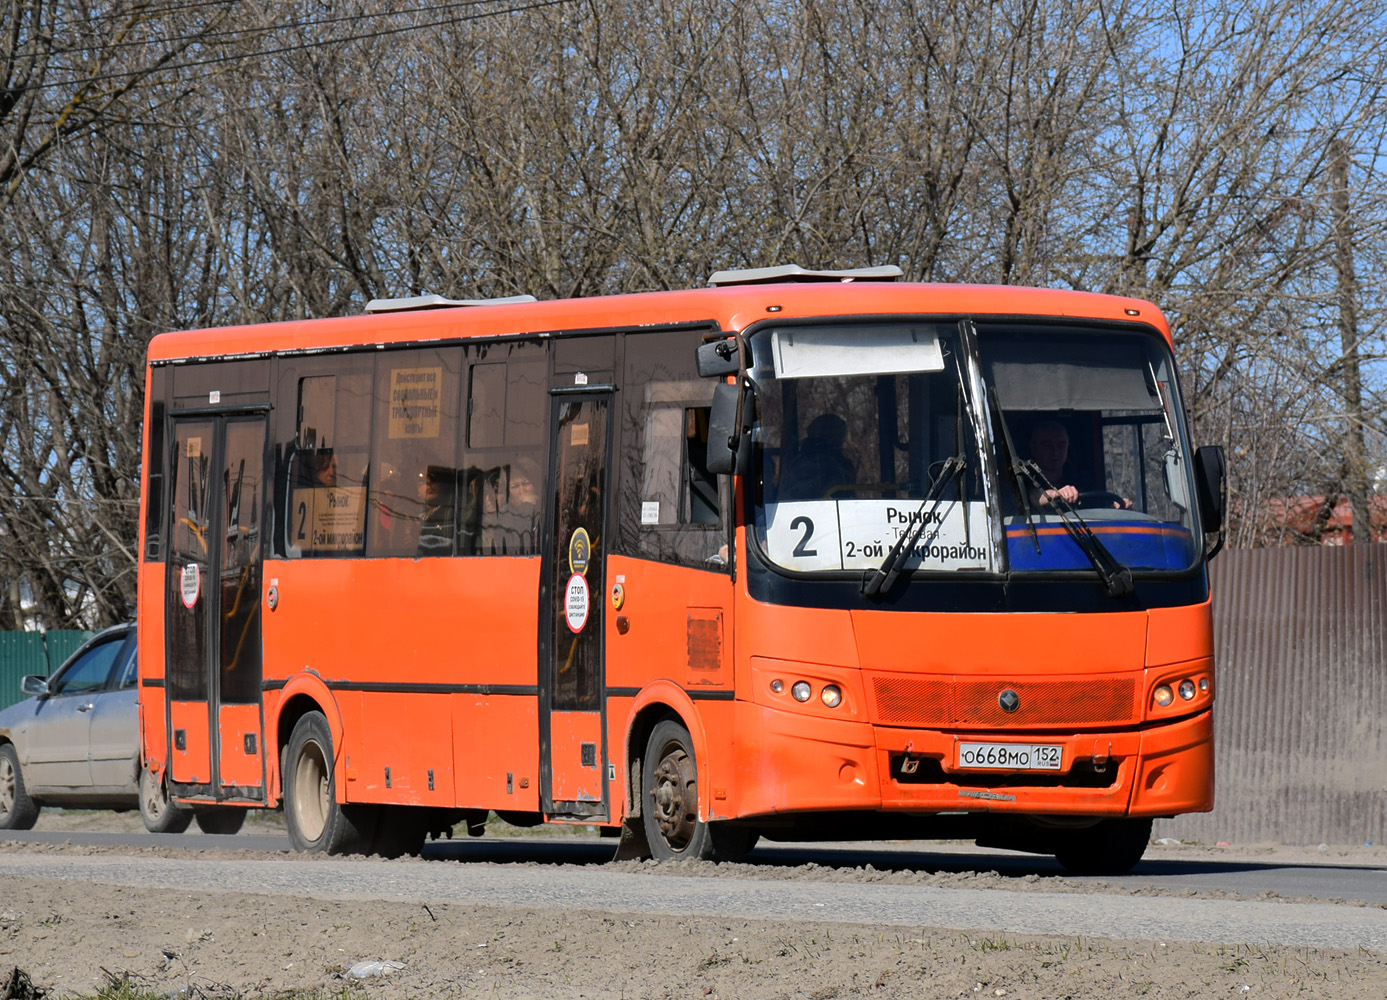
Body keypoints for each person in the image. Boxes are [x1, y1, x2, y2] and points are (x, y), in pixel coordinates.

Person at [1025, 419, 1130, 510]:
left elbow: (1095, 507)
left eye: (1061, 444)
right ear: (1033, 447)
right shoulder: (1024, 478)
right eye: (1047, 445)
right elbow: (1032, 498)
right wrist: (1056, 494)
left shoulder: (1081, 480)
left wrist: (1113, 508)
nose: (1055, 451)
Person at [779, 413, 855, 500]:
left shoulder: (802, 459)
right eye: (838, 435)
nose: (842, 441)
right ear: (830, 436)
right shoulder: (817, 462)